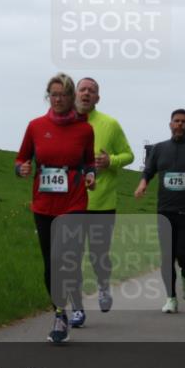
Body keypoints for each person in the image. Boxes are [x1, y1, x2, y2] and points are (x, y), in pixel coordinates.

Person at [15, 73, 96, 343]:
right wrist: (21, 169)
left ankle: (66, 309)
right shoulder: (35, 126)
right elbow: (21, 158)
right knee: (51, 264)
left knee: (66, 259)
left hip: (74, 202)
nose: (58, 99)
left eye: (63, 95)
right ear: (48, 97)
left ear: (71, 97)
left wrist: (90, 175)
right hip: (44, 204)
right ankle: (60, 312)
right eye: (53, 95)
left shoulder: (84, 130)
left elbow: (89, 162)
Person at [135, 109, 185, 313]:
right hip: (165, 210)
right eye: (176, 121)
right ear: (170, 124)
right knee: (167, 257)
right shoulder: (159, 148)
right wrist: (143, 184)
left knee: (184, 255)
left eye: (184, 121)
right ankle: (171, 298)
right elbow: (148, 171)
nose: (179, 124)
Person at [71, 77, 134, 326]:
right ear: (75, 94)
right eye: (82, 89)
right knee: (72, 257)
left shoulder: (110, 124)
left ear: (98, 97)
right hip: (70, 203)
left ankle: (103, 285)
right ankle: (77, 308)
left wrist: (111, 161)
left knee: (98, 255)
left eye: (92, 91)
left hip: (102, 203)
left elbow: (129, 155)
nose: (86, 93)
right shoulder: (64, 123)